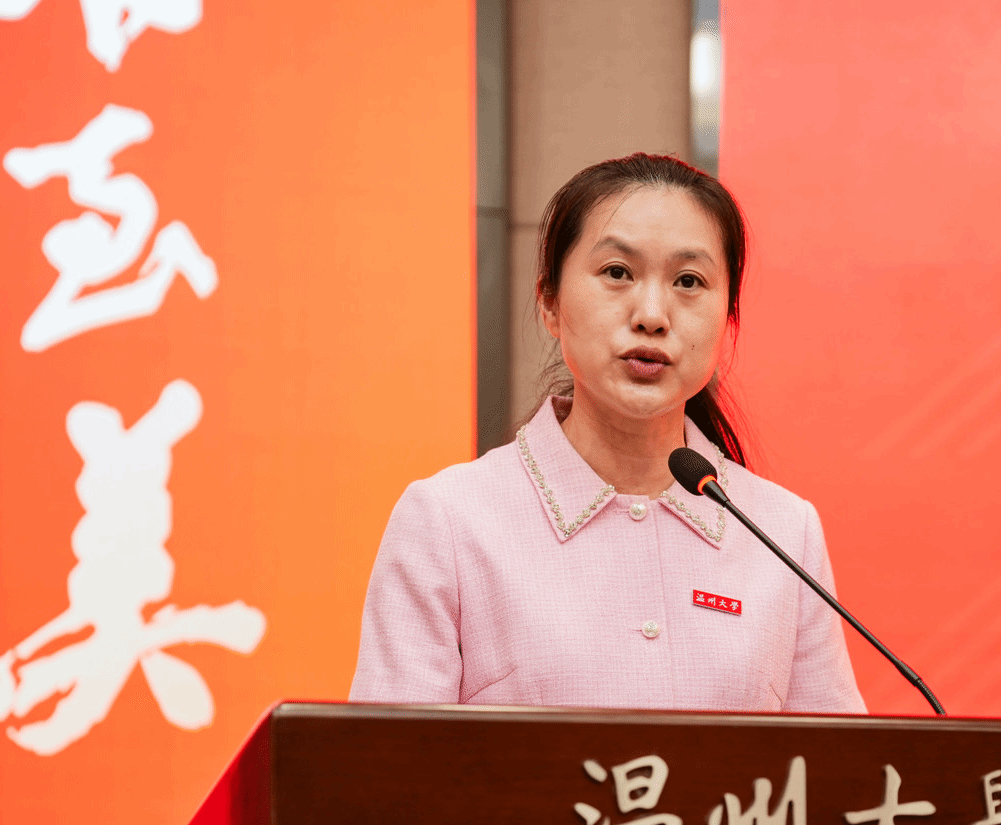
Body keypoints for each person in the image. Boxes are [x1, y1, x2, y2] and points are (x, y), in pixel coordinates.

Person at [350, 153, 865, 713]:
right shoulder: (447, 523)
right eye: (617, 273)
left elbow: (838, 765)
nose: (652, 315)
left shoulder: (785, 534)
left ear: (728, 318)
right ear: (550, 302)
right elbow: (386, 764)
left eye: (688, 281)